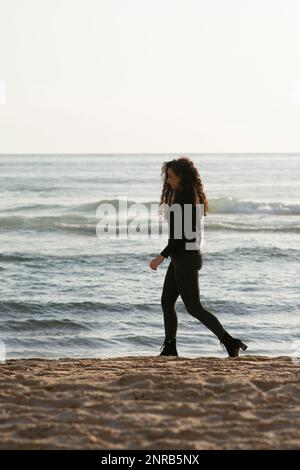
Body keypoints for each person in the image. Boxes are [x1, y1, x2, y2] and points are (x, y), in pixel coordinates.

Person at [149, 157, 248, 358]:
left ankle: (229, 342)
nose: (167, 180)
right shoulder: (182, 194)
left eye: (170, 176)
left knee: (194, 307)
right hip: (182, 256)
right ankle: (170, 347)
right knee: (167, 302)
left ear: (181, 176)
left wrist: (161, 256)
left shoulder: (185, 197)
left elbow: (182, 236)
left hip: (186, 257)